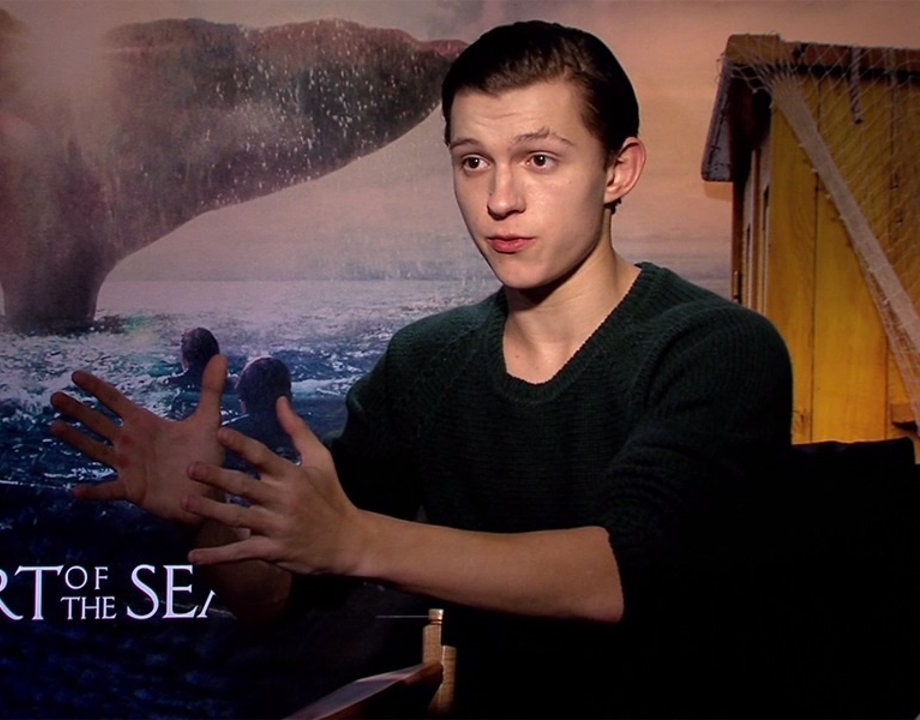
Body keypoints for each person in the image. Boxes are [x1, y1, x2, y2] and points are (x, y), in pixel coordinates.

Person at [50, 20, 792, 717]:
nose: (500, 200)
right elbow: (270, 597)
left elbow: (622, 576)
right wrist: (206, 512)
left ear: (618, 171)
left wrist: (359, 540)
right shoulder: (425, 363)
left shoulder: (719, 348)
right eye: (473, 162)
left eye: (539, 160)